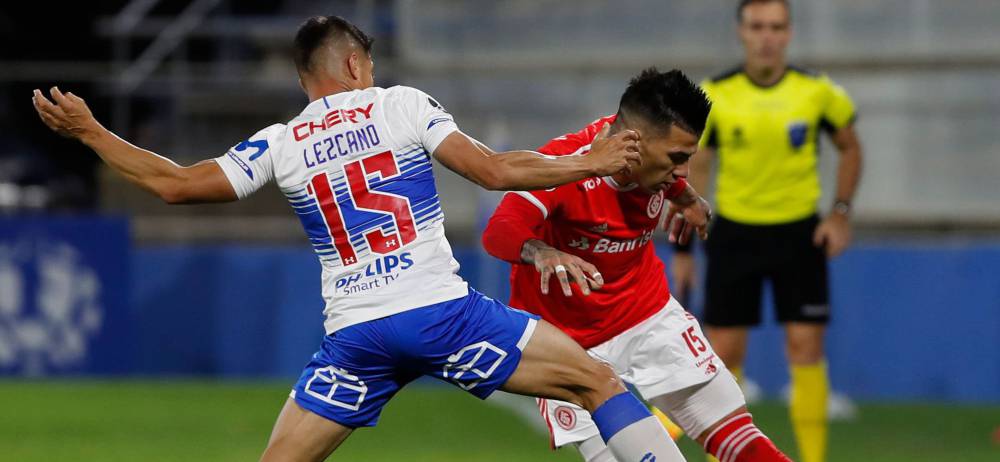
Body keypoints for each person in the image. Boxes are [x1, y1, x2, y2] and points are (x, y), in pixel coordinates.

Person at [32, 15, 692, 462]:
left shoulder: (282, 140)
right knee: (597, 382)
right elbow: (493, 171)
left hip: (358, 336)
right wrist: (588, 162)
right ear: (354, 63)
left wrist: (91, 131)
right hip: (441, 315)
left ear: (304, 79)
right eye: (368, 62)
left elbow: (175, 184)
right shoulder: (399, 104)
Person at [483, 68, 792, 462]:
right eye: (677, 159)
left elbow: (671, 175)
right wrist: (542, 252)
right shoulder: (567, 164)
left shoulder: (650, 159)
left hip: (647, 315)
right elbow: (500, 229)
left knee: (740, 438)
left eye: (688, 158)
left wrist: (687, 198)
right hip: (570, 346)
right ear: (633, 143)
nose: (683, 171)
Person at [670, 2, 864, 462]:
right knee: (723, 354)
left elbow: (851, 147)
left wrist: (839, 213)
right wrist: (682, 248)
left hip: (799, 235)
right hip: (734, 235)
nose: (766, 36)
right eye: (757, 26)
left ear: (789, 33)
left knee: (805, 348)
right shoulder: (715, 94)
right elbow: (695, 168)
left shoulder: (817, 92)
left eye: (776, 27)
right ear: (741, 32)